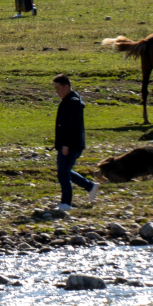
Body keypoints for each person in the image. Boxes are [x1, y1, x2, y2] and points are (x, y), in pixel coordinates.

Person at [52, 73, 99, 211]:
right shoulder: (68, 100)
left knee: (63, 173)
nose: (57, 91)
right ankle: (90, 187)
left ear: (67, 86)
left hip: (71, 145)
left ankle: (66, 204)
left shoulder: (73, 102)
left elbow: (73, 126)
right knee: (64, 171)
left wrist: (66, 144)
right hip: (66, 144)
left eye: (58, 88)